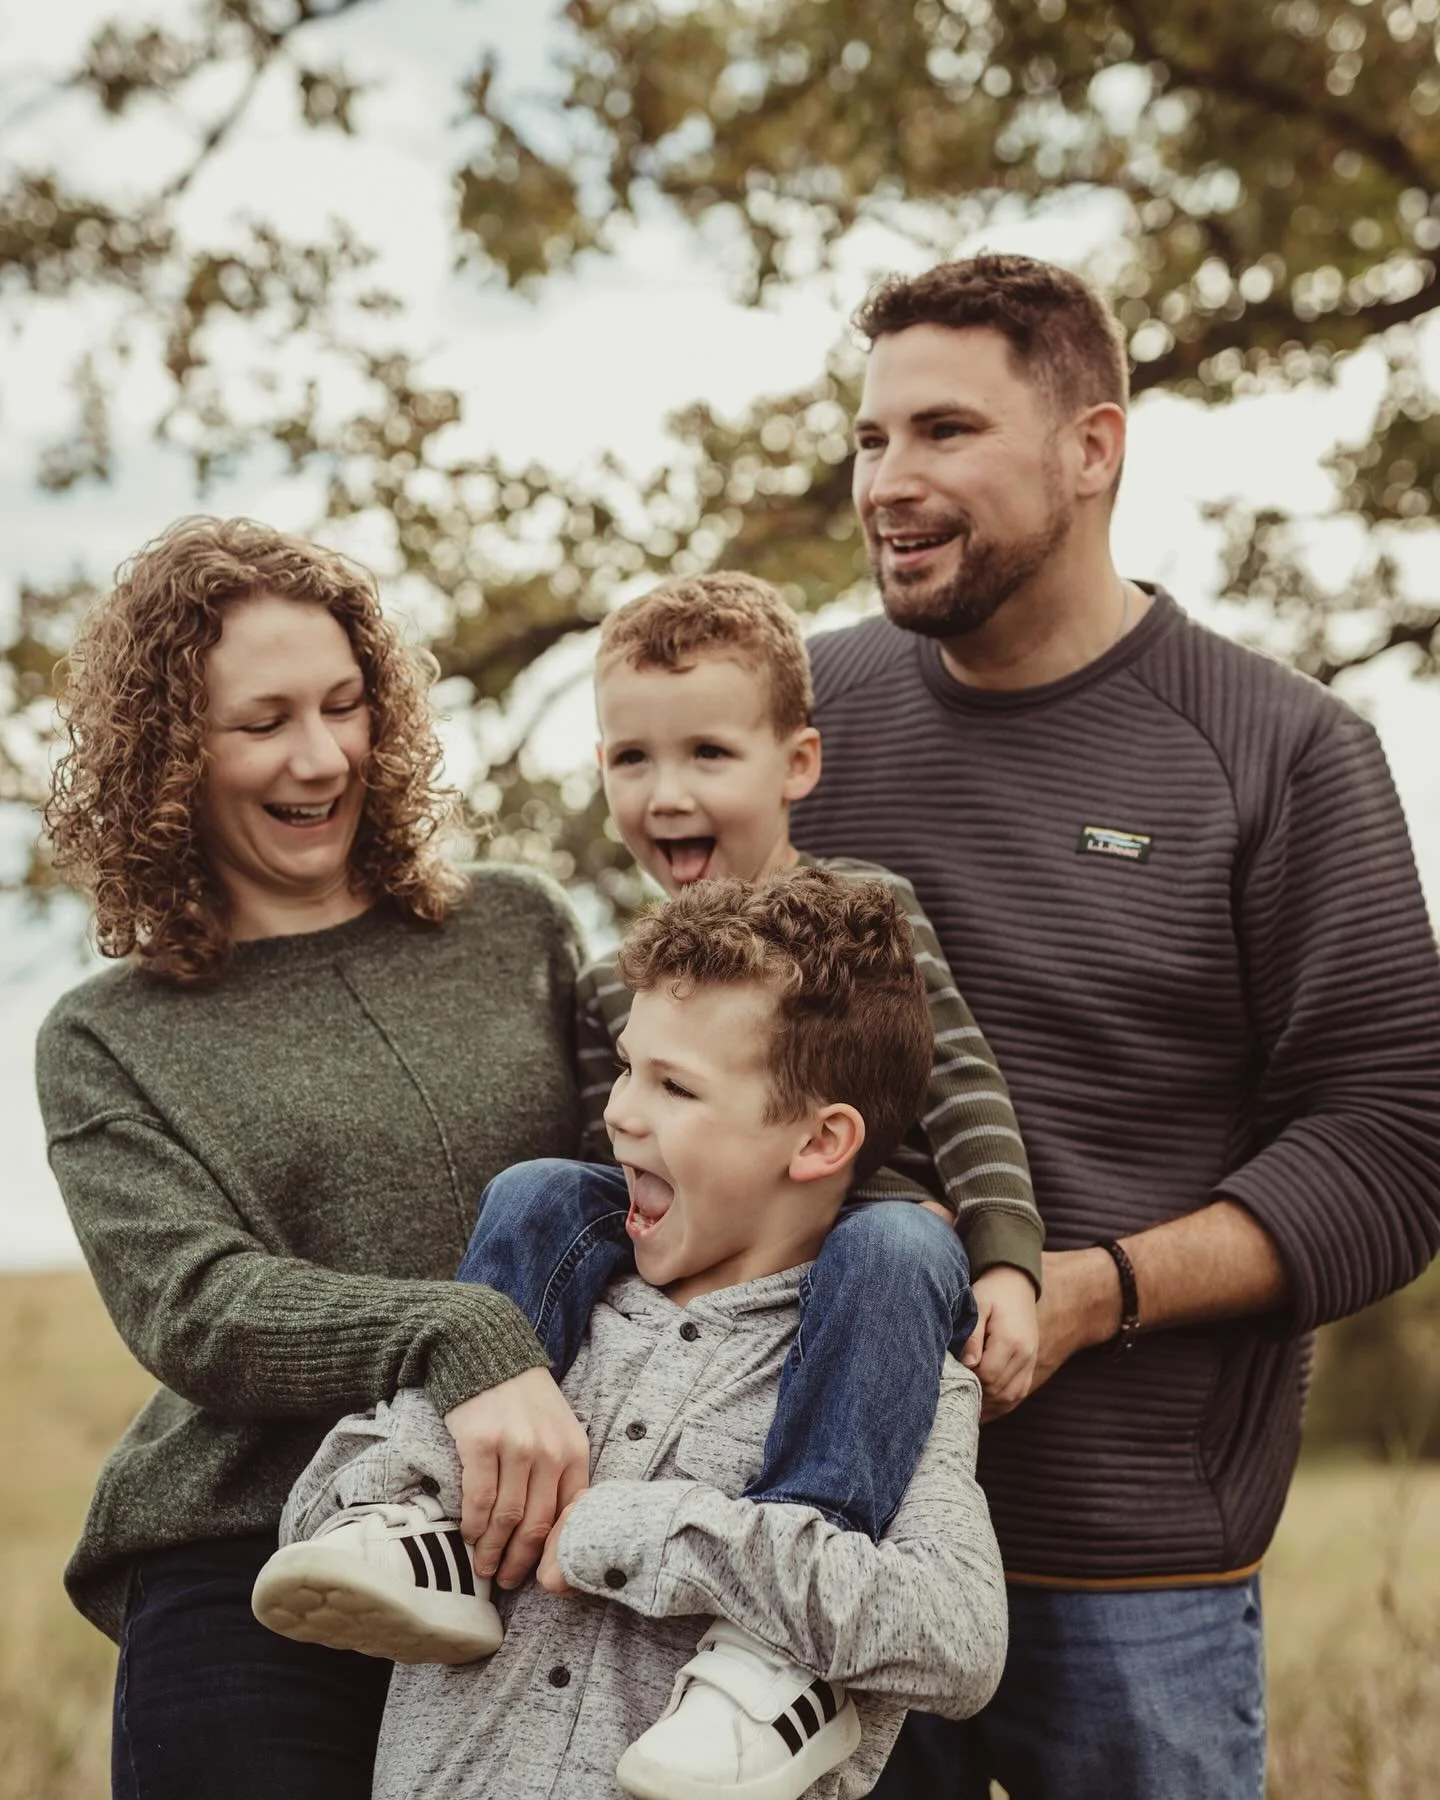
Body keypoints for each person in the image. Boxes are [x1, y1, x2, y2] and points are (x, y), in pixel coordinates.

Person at [789, 252, 1440, 1799]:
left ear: (1095, 449)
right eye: (872, 438)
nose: (888, 478)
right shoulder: (802, 714)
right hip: (822, 1550)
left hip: (1133, 1566)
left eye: (944, 431)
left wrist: (1097, 1291)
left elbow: (1395, 1143)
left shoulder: (1283, 752)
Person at [253, 572, 1040, 1797]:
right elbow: (600, 1141)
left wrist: (1003, 1256)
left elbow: (967, 1094)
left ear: (796, 763)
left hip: (872, 1238)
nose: (667, 793)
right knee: (539, 1187)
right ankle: (416, 1522)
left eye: (708, 753)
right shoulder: (629, 965)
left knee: (899, 1251)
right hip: (672, 1273)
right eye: (630, 758)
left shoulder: (870, 920)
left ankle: (780, 1660)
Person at [35, 517, 590, 1800]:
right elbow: (196, 1307)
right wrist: (453, 1335)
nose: (321, 755)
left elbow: (659, 1165)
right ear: (172, 756)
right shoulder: (106, 1038)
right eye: (264, 721)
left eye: (345, 704)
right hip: (252, 1568)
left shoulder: (519, 926)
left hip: (546, 1546)